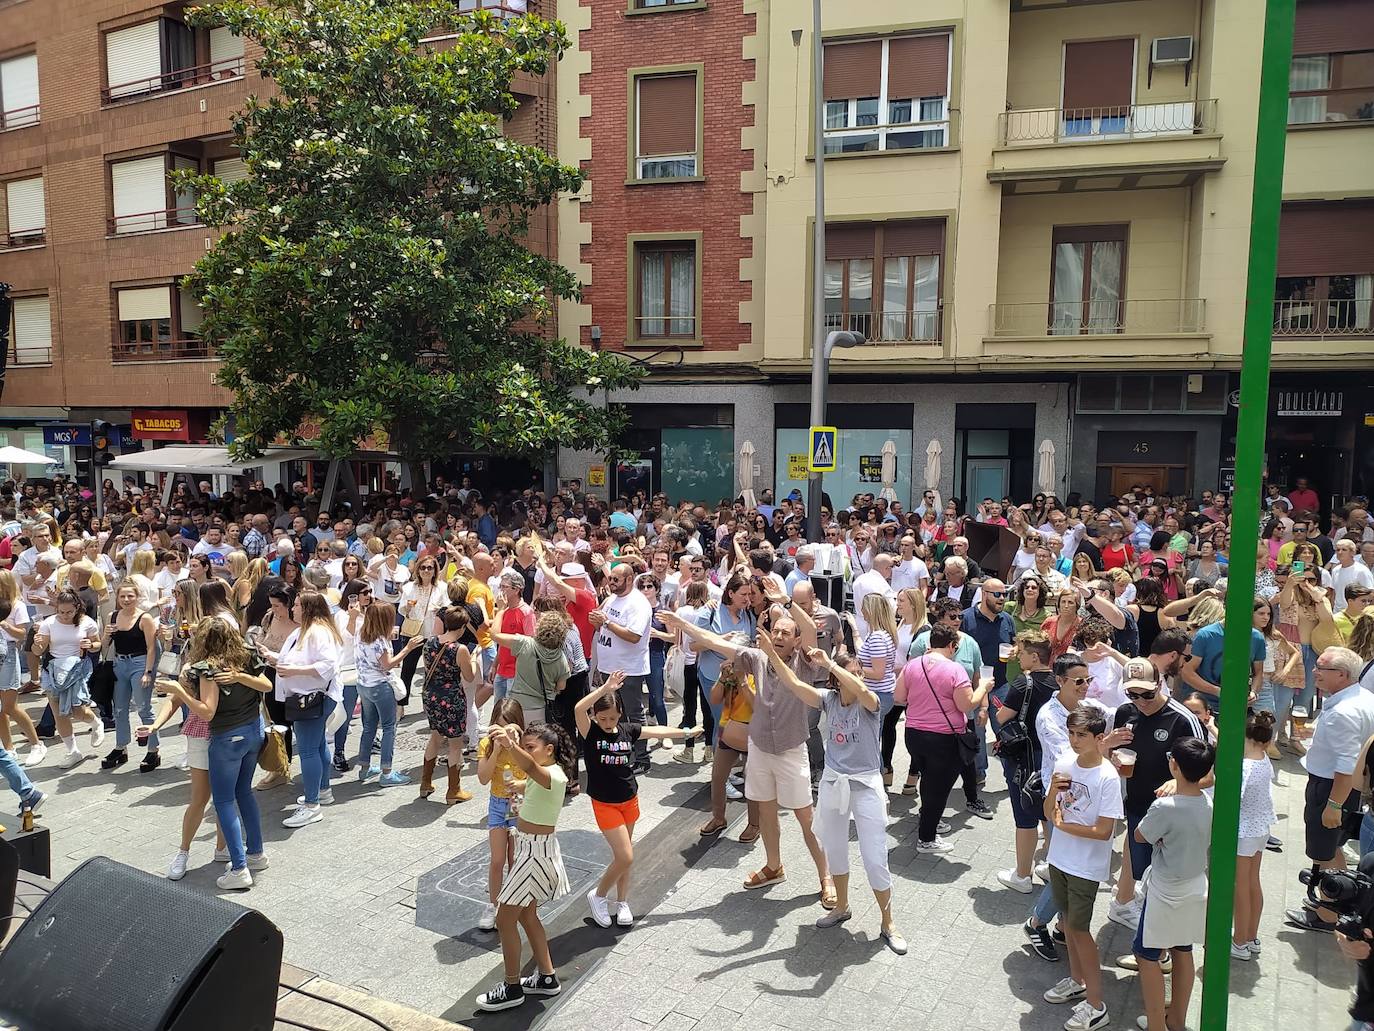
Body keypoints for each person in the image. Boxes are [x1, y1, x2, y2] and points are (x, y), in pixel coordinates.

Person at [779, 641, 907, 953]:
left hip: (865, 784)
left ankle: (888, 921)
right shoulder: (829, 699)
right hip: (835, 783)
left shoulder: (870, 703)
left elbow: (865, 693)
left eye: (860, 674)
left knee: (875, 857)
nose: (859, 679)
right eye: (853, 674)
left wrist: (832, 665)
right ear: (837, 683)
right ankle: (842, 906)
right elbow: (794, 684)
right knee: (834, 849)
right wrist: (770, 652)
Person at [155, 617, 273, 890]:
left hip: (227, 739)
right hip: (253, 733)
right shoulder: (247, 653)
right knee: (245, 793)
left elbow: (207, 711)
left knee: (223, 802)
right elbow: (266, 685)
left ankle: (239, 867)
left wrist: (177, 691)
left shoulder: (208, 668)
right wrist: (242, 676)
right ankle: (256, 853)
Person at [475, 721, 576, 1013]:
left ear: (549, 750)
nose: (527, 752)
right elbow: (529, 777)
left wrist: (508, 744)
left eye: (531, 747)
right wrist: (518, 787)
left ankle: (511, 987)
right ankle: (546, 976)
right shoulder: (544, 775)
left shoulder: (552, 774)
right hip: (531, 851)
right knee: (527, 915)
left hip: (534, 855)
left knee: (506, 920)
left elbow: (531, 769)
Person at [577, 670, 688, 929]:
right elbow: (578, 708)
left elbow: (657, 731)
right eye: (602, 717)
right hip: (604, 804)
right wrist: (605, 689)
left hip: (630, 800)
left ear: (620, 715)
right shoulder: (591, 732)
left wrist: (685, 733)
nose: (607, 722)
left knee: (624, 857)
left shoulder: (628, 730)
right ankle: (599, 895)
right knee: (625, 856)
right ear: (595, 716)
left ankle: (622, 901)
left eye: (612, 718)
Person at [1041, 705, 1123, 1031]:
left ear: (1099, 738)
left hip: (1085, 868)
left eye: (1082, 735)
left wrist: (1063, 824)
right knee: (1065, 923)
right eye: (1072, 734)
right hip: (1059, 859)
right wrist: (1052, 794)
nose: (1074, 741)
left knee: (1079, 930)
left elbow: (1105, 831)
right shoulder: (1064, 764)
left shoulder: (1108, 777)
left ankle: (1097, 1005)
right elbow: (1049, 811)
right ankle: (1076, 980)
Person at [1287, 647, 1374, 933]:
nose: (1314, 672)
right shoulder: (1364, 699)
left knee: (1323, 854)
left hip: (1330, 789)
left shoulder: (1344, 712)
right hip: (1345, 788)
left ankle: (1326, 915)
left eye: (1321, 668)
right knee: (1333, 848)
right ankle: (1335, 905)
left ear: (1341, 675)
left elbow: (1345, 766)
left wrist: (1333, 805)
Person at [1132, 737, 1216, 1031]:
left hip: (1165, 888)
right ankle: (1176, 1020)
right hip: (1195, 884)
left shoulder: (1164, 806)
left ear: (1174, 766)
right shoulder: (1208, 802)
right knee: (1184, 950)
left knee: (1145, 954)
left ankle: (1156, 1025)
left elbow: (1140, 835)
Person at [896, 622, 988, 853]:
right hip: (943, 737)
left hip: (914, 733)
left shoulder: (913, 664)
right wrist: (983, 688)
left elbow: (899, 696)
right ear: (952, 645)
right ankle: (926, 838)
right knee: (939, 788)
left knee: (928, 779)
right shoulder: (955, 669)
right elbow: (966, 704)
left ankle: (930, 822)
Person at [995, 631, 1058, 893]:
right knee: (1049, 812)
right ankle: (1053, 865)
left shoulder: (1023, 683)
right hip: (1052, 757)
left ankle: (1022, 875)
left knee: (1025, 817)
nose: (1018, 657)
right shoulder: (1059, 681)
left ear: (1034, 656)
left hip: (1025, 756)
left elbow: (1001, 718)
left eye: (1021, 653)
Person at [275, 592, 344, 829]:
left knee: (307, 751)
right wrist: (272, 657)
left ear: (308, 609)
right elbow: (294, 660)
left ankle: (312, 805)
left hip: (313, 699)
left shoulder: (317, 631)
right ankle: (322, 791)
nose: (292, 608)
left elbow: (326, 665)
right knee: (317, 745)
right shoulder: (304, 630)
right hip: (307, 697)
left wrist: (293, 671)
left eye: (295, 604)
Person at [590, 561, 653, 774]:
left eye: (616, 579)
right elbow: (600, 621)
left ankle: (642, 757)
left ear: (628, 579)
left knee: (632, 714)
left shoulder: (638, 603)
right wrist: (596, 620)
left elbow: (634, 636)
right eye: (610, 579)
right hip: (608, 666)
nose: (611, 583)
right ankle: (622, 752)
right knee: (613, 713)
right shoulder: (611, 599)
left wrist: (606, 622)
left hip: (628, 669)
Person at [34, 589, 105, 768]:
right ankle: (73, 751)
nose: (65, 616)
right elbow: (37, 651)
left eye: (69, 612)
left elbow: (98, 646)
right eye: (61, 612)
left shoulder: (87, 623)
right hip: (53, 668)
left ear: (77, 608)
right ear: (56, 608)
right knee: (58, 713)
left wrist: (91, 645)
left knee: (77, 710)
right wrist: (37, 643)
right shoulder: (48, 623)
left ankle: (96, 723)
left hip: (76, 668)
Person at [354, 601, 422, 785]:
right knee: (389, 728)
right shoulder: (380, 642)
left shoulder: (361, 633)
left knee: (368, 727)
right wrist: (408, 649)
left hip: (363, 685)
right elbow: (388, 664)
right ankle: (387, 773)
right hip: (380, 687)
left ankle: (364, 768)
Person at [419, 606, 482, 805]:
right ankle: (453, 791)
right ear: (463, 626)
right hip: (451, 698)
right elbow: (469, 676)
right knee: (455, 745)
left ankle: (425, 783)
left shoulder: (429, 642)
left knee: (435, 737)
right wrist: (473, 660)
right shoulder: (459, 649)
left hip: (431, 696)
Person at [476, 698, 527, 932]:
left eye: (509, 727)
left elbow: (533, 773)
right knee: (497, 859)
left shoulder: (526, 744)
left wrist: (513, 745)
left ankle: (516, 904)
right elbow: (483, 778)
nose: (503, 734)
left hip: (519, 805)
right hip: (497, 805)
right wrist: (496, 748)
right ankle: (493, 905)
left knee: (516, 859)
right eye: (499, 727)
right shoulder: (487, 744)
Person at [101, 582, 161, 772]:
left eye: (130, 596)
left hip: (139, 663)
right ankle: (121, 746)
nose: (126, 600)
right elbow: (104, 645)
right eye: (122, 597)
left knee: (144, 707)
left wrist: (148, 672)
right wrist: (106, 635)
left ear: (137, 597)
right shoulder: (112, 616)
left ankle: (153, 750)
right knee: (119, 709)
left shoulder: (145, 618)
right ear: (117, 598)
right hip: (120, 663)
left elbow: (152, 647)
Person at [1233, 710, 1277, 960]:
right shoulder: (1262, 758)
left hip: (1243, 831)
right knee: (1252, 883)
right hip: (1260, 829)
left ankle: (1239, 941)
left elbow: (1233, 799)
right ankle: (1250, 936)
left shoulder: (1245, 767)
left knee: (1240, 887)